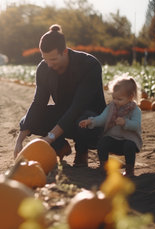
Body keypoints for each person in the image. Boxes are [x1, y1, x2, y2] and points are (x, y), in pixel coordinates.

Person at [13, 24, 106, 167]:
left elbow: (77, 107)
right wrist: (19, 141)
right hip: (64, 113)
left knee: (84, 122)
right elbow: (38, 103)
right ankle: (60, 146)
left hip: (90, 119)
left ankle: (82, 151)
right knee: (28, 120)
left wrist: (49, 138)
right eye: (45, 59)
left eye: (53, 60)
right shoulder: (44, 68)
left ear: (65, 52)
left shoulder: (89, 65)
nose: (49, 64)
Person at [79, 76, 142, 177]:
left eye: (119, 99)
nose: (115, 101)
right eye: (114, 98)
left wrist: (125, 123)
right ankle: (104, 167)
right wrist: (90, 121)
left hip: (128, 140)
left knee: (129, 146)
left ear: (130, 97)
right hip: (114, 140)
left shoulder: (135, 110)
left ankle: (129, 170)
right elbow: (102, 119)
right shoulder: (111, 107)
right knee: (103, 142)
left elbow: (137, 125)